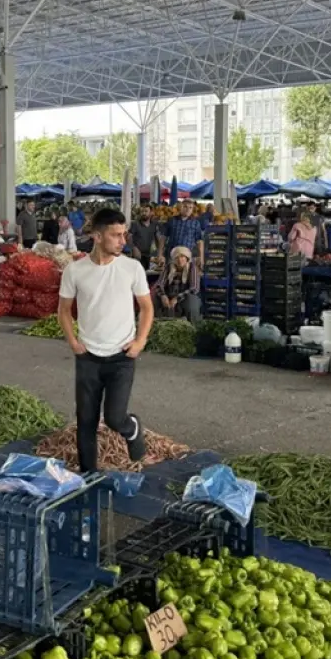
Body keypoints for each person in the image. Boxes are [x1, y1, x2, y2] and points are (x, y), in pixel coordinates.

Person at [57, 207, 151, 472]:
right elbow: (63, 311)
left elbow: (146, 307)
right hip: (88, 357)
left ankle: (132, 428)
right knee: (85, 421)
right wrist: (73, 343)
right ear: (97, 237)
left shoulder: (132, 268)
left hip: (122, 356)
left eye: (124, 234)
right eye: (116, 235)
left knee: (114, 417)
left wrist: (140, 341)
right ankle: (88, 476)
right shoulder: (75, 271)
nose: (123, 241)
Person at [154, 246, 201, 322]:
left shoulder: (192, 267)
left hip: (184, 297)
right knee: (155, 297)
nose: (179, 260)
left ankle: (193, 326)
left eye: (182, 257)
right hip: (170, 295)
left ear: (187, 258)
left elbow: (194, 288)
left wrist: (177, 298)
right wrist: (163, 295)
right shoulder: (169, 267)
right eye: (177, 257)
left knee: (191, 302)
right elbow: (159, 284)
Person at [158, 199, 204, 267]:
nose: (188, 209)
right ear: (181, 207)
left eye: (190, 208)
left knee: (187, 275)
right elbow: (163, 238)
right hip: (172, 255)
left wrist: (201, 258)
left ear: (192, 210)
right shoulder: (172, 220)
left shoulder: (196, 223)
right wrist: (160, 255)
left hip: (187, 256)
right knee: (170, 275)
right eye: (185, 207)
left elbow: (199, 241)